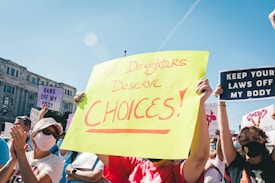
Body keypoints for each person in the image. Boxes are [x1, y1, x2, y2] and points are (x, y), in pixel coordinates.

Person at [75, 78, 213, 182]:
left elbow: (199, 158)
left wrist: (199, 104)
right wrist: (85, 109)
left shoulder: (178, 174)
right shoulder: (134, 166)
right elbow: (97, 143)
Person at [215, 85, 275, 183]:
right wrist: (221, 102)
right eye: (246, 139)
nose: (251, 142)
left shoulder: (271, 163)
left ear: (263, 140)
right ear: (240, 143)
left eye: (255, 138)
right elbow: (224, 132)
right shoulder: (236, 164)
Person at [0, 117, 64, 183]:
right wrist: (14, 159)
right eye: (47, 132)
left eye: (55, 135)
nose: (51, 136)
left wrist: (20, 152)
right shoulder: (25, 156)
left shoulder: (56, 162)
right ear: (34, 134)